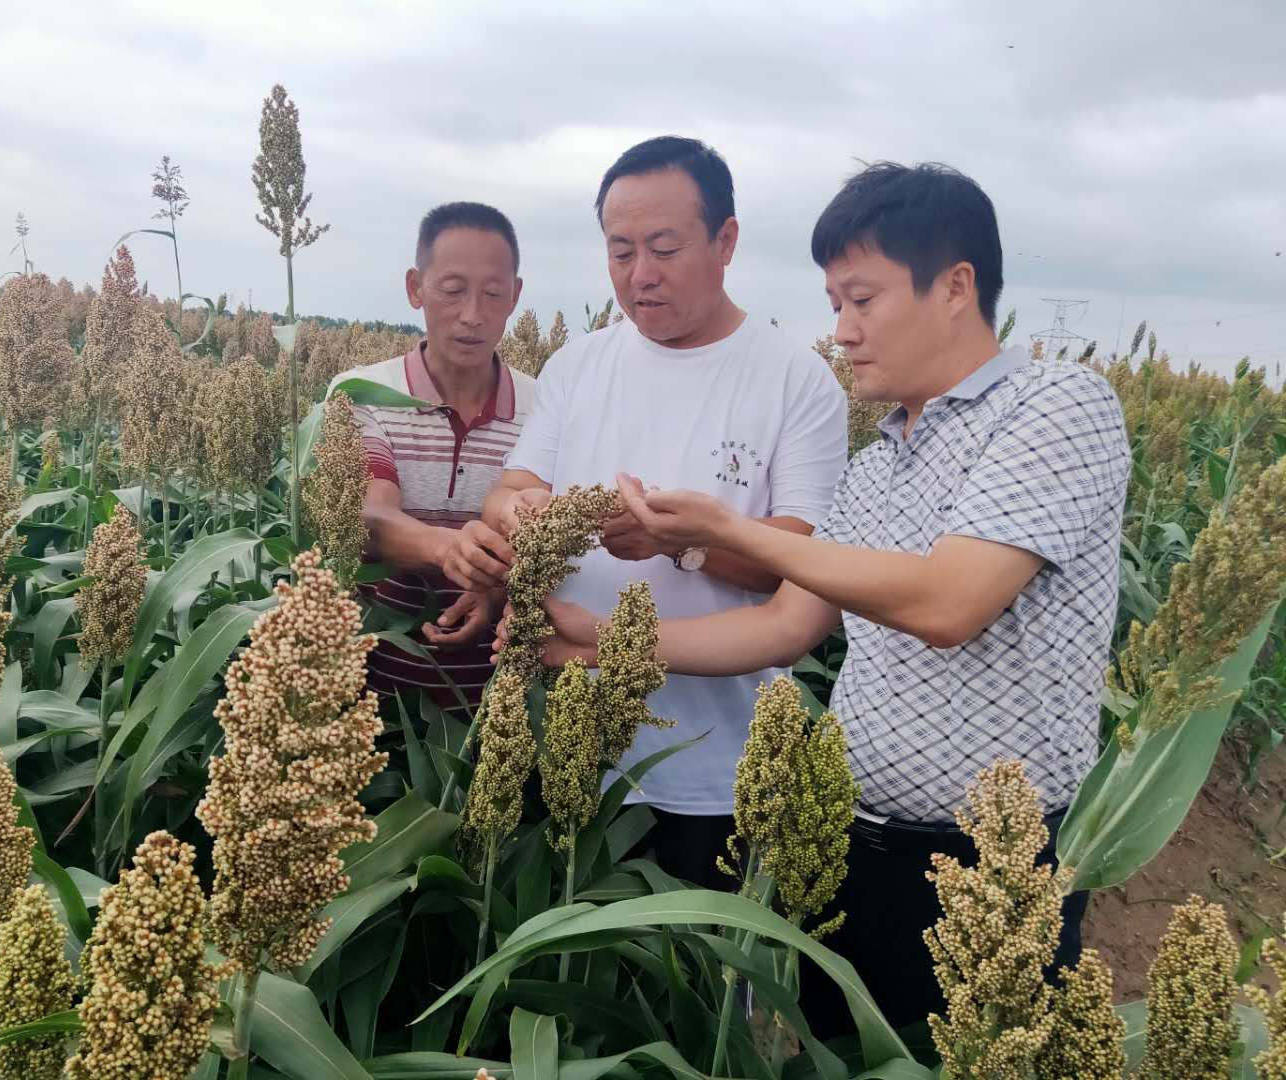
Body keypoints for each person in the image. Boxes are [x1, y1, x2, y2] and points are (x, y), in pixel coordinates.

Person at [515, 161, 1131, 1035]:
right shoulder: (878, 465)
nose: (841, 331)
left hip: (996, 866)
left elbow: (950, 603)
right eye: (835, 303)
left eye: (862, 300)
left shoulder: (1055, 406)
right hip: (843, 843)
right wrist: (596, 641)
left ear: (955, 287)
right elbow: (785, 625)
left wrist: (726, 529)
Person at [480, 136, 849, 888]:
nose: (640, 274)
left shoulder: (797, 381)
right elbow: (507, 490)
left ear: (726, 241)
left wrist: (677, 542)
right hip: (566, 736)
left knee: (692, 960)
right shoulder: (577, 366)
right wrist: (523, 515)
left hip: (717, 771)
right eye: (620, 252)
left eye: (665, 248)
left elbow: (805, 565)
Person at [329, 201, 534, 716]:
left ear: (515, 296)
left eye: (493, 294)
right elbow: (366, 517)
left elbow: (547, 540)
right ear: (415, 287)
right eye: (453, 289)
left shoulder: (543, 409)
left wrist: (493, 590)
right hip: (366, 705)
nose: (473, 314)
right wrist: (450, 549)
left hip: (492, 712)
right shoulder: (361, 393)